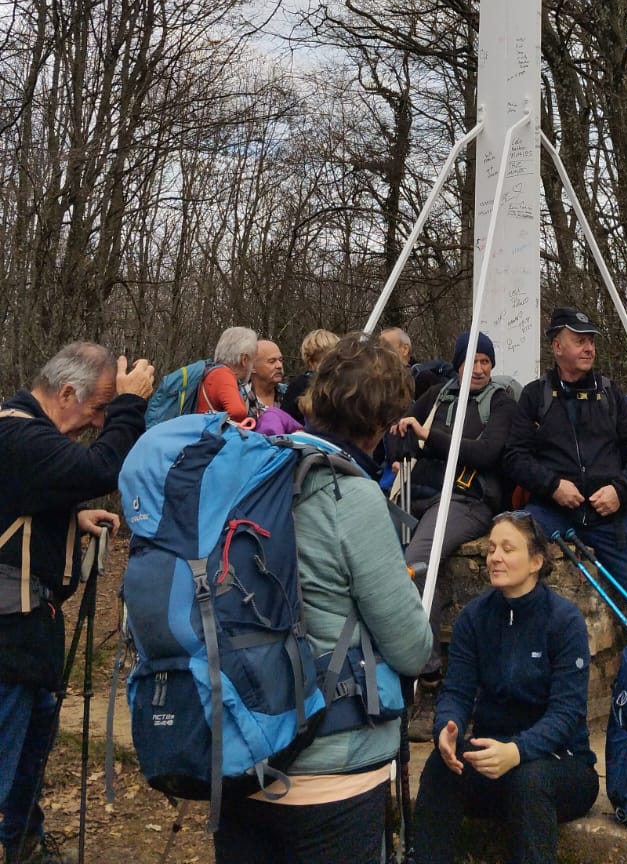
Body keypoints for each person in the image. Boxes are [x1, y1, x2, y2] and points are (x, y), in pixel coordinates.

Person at [213, 333, 434, 864]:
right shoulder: (349, 494)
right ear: (382, 420)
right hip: (330, 764)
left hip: (240, 748)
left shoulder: (252, 470)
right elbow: (411, 648)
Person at [0, 341, 154, 864]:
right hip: (8, 639)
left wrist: (69, 518)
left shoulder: (26, 437)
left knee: (28, 757)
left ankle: (23, 846)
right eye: (98, 408)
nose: (99, 422)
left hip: (27, 634)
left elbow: (22, 499)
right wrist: (130, 406)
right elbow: (98, 469)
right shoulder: (17, 434)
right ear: (67, 393)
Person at [413, 510, 598, 864]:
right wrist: (447, 728)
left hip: (561, 765)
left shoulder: (564, 620)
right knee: (441, 765)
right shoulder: (474, 617)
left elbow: (567, 712)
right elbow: (457, 692)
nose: (495, 557)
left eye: (508, 549)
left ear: (536, 562)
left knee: (530, 780)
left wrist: (517, 750)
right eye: (491, 548)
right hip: (492, 760)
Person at [504, 305, 627, 627]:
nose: (589, 348)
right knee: (508, 550)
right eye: (580, 341)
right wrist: (553, 486)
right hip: (551, 511)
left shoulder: (610, 394)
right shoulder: (536, 396)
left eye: (591, 341)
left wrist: (620, 490)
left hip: (612, 521)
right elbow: (514, 457)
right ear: (557, 346)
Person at [389, 332, 517, 729]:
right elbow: (398, 435)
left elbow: (486, 453)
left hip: (466, 500)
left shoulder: (500, 402)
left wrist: (428, 436)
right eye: (471, 362)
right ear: (457, 364)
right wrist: (400, 443)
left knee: (415, 567)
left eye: (485, 362)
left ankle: (428, 678)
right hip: (417, 495)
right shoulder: (437, 396)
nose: (479, 370)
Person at [195, 325, 257, 422]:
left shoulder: (211, 372)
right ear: (244, 359)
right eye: (252, 360)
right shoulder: (222, 375)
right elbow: (238, 412)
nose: (253, 366)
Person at [282, 328, 340, 422]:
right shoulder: (299, 386)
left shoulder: (341, 384)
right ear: (311, 361)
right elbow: (285, 420)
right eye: (325, 358)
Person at [249, 338, 286, 412]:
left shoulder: (289, 394)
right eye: (272, 361)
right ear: (252, 367)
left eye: (280, 360)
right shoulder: (238, 398)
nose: (279, 366)